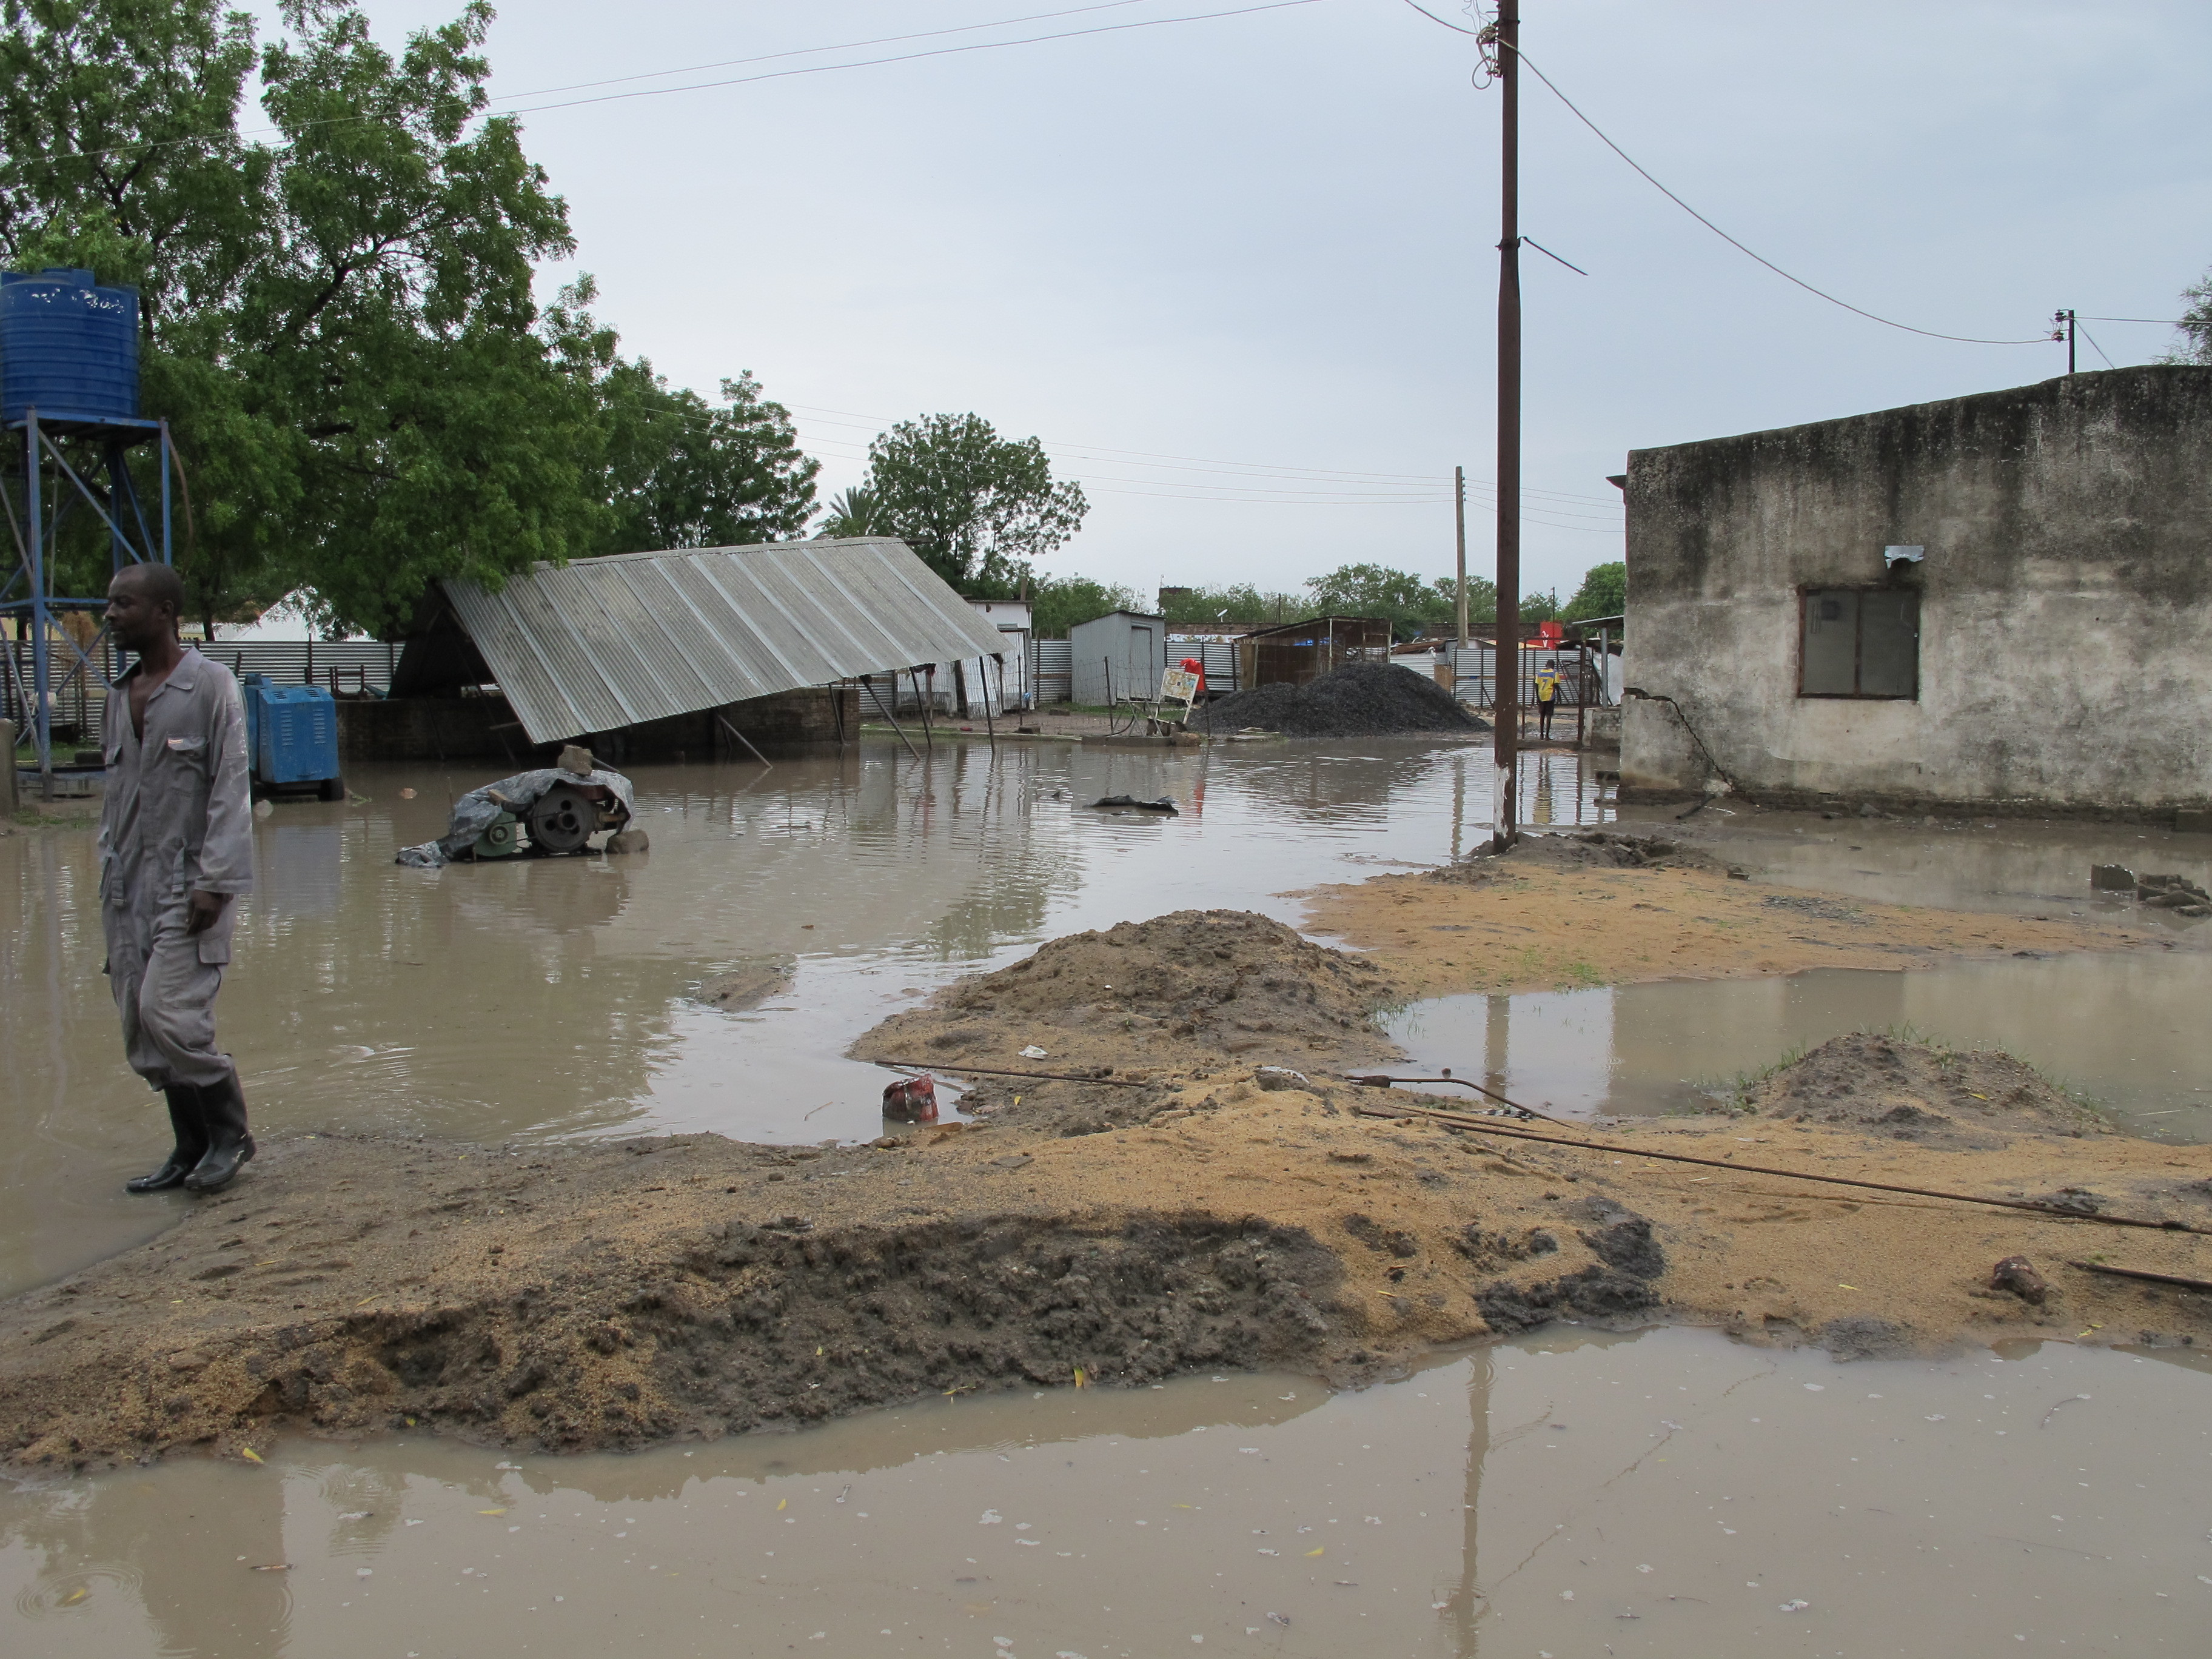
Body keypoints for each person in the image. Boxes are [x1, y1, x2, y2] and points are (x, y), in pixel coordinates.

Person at [98, 562, 256, 1194]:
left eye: (124, 604)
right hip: (125, 885)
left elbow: (231, 789)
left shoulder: (211, 687)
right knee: (140, 1021)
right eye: (109, 604)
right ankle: (189, 1146)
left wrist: (216, 881)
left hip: (188, 883)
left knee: (171, 1011)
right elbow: (118, 804)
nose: (111, 615)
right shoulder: (119, 695)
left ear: (164, 612)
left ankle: (231, 1136)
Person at [1534, 657, 1561, 740]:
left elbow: (1536, 685)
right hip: (1550, 695)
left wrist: (1537, 697)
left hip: (1541, 695)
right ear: (1553, 666)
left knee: (1542, 715)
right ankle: (1547, 736)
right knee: (1549, 715)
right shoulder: (1554, 672)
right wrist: (1559, 695)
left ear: (1546, 664)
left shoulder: (1540, 672)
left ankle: (1541, 735)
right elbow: (1556, 684)